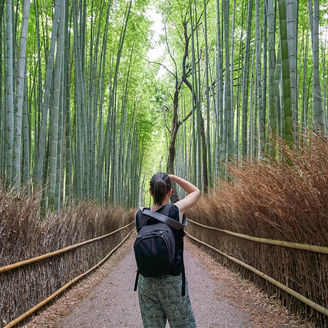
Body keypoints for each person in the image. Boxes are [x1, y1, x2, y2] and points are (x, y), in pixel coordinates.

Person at [135, 172, 200, 328]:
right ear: (170, 192)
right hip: (172, 281)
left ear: (150, 191)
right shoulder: (175, 210)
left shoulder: (139, 214)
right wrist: (174, 177)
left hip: (146, 282)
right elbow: (196, 192)